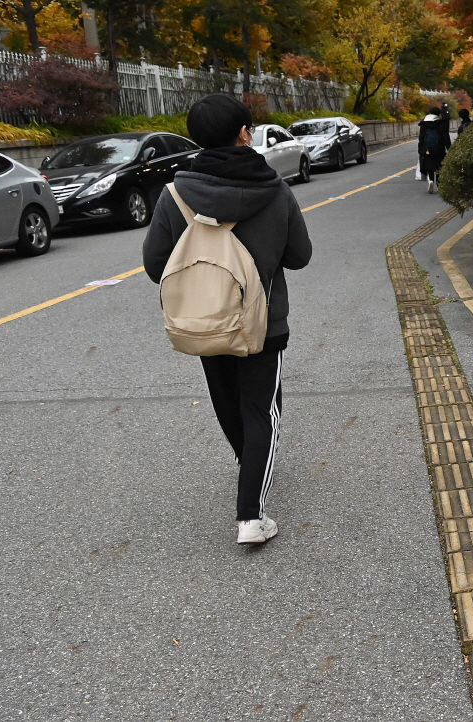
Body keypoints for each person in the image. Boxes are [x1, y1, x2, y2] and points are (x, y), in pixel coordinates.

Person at [142, 94, 312, 545]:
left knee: (227, 400)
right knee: (262, 409)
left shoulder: (175, 194)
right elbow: (300, 256)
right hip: (263, 322)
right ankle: (251, 515)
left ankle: (248, 469)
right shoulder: (274, 189)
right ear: (243, 133)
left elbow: (155, 265)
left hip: (203, 319)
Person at [417, 106, 451, 194]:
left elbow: (421, 138)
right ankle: (439, 185)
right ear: (439, 114)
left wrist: (420, 150)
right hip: (439, 148)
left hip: (427, 149)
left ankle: (431, 180)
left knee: (430, 166)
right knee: (439, 166)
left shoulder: (424, 124)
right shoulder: (441, 124)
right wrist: (449, 148)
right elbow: (445, 137)